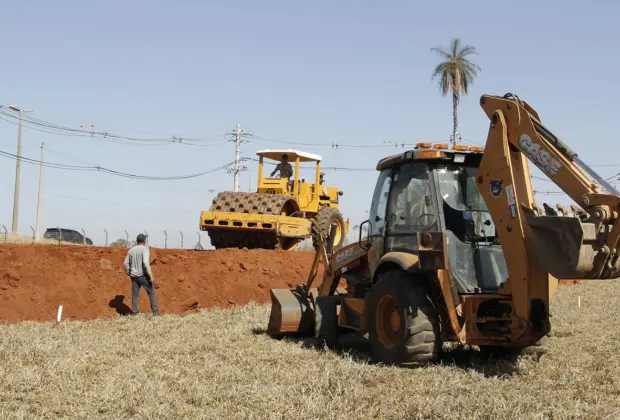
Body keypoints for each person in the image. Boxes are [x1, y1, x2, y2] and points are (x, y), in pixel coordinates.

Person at [123, 233, 160, 315]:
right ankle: (156, 312)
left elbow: (125, 263)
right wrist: (151, 276)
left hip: (134, 277)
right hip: (143, 276)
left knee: (135, 294)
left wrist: (129, 272)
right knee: (151, 292)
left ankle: (135, 312)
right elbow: (145, 262)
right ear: (144, 241)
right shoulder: (145, 249)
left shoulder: (131, 250)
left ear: (137, 241)